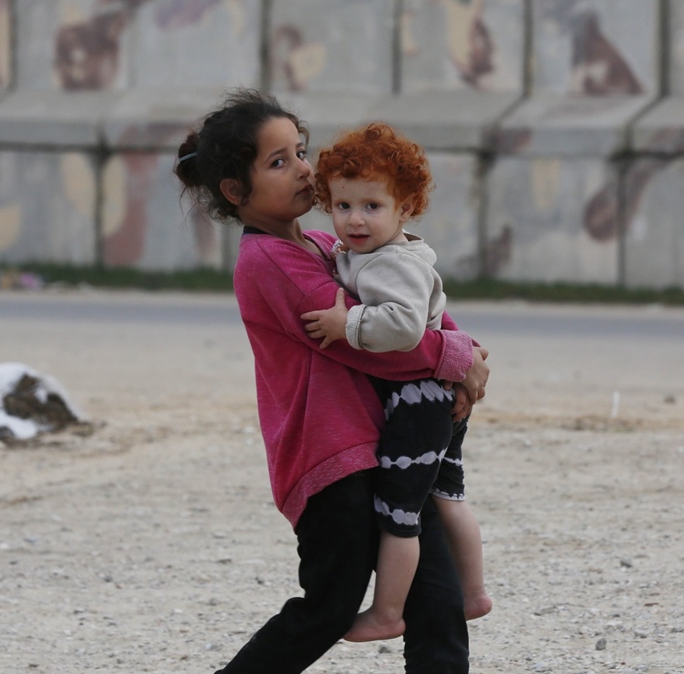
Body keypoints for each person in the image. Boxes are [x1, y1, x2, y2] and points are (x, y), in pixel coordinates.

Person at [173, 88, 489, 674]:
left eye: (300, 151)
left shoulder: (328, 245)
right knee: (328, 607)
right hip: (331, 459)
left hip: (384, 443)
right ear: (236, 192)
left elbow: (410, 300)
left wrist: (460, 347)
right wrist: (453, 359)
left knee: (434, 593)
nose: (303, 169)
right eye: (278, 162)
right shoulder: (270, 262)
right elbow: (371, 347)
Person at [301, 123, 492, 643]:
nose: (355, 219)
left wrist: (347, 324)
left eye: (372, 206)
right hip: (435, 397)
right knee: (448, 494)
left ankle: (388, 613)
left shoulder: (391, 264)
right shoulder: (384, 254)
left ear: (405, 208)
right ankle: (473, 592)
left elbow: (405, 327)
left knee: (399, 515)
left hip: (416, 401)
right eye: (343, 206)